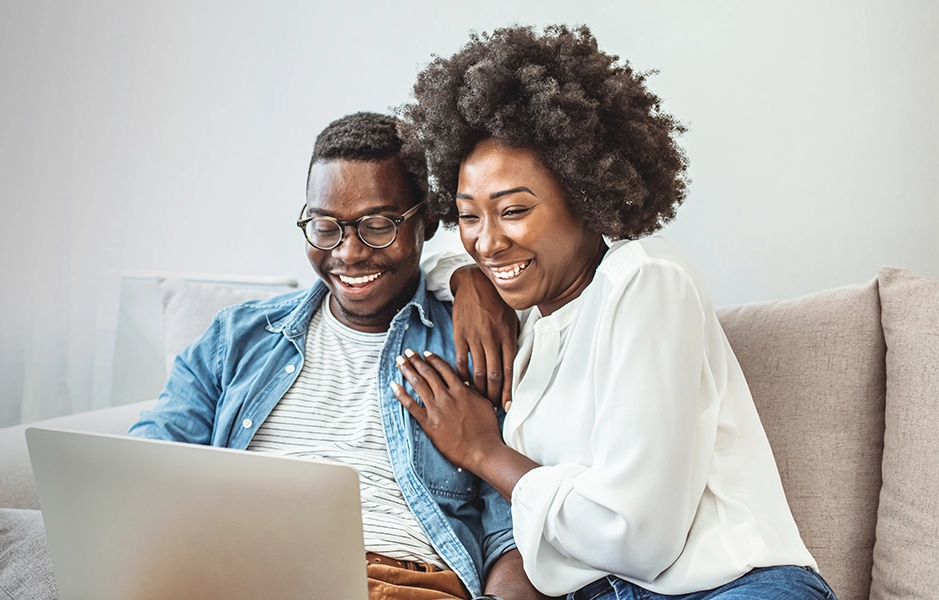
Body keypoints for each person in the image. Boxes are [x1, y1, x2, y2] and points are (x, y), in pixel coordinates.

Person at [393, 25, 836, 600]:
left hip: (731, 587)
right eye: (469, 216)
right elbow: (434, 260)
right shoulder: (532, 311)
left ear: (585, 194)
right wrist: (466, 276)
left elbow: (637, 539)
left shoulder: (645, 278)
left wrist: (484, 452)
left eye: (514, 210)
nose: (490, 240)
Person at [129, 112, 540, 600]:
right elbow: (139, 472)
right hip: (235, 574)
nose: (348, 253)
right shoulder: (235, 338)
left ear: (426, 222)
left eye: (377, 226)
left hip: (398, 582)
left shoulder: (474, 345)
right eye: (325, 226)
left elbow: (514, 534)